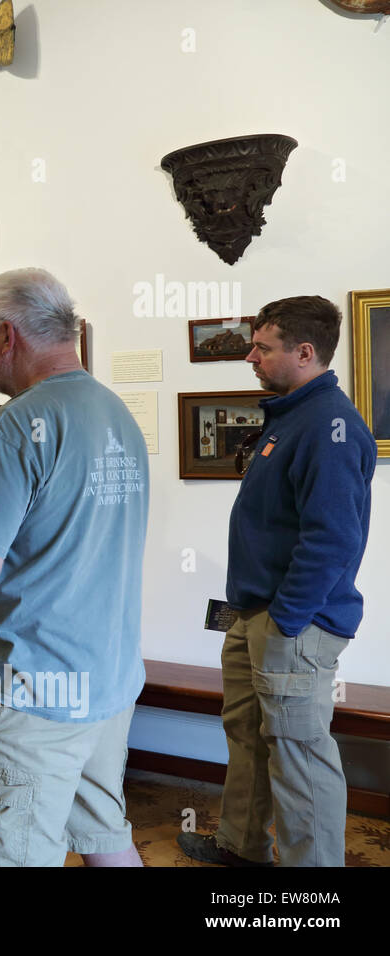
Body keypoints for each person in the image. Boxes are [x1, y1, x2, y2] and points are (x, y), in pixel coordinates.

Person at [0, 268, 149, 867]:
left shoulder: (12, 425)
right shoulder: (116, 413)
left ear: (6, 335)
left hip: (32, 695)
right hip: (108, 682)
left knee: (5, 852)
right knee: (106, 839)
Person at [178, 296, 376, 868]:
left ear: (305, 352)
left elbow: (332, 539)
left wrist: (288, 619)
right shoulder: (293, 415)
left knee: (298, 752)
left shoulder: (330, 426)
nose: (250, 356)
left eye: (263, 347)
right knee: (248, 734)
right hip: (253, 612)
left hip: (293, 622)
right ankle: (241, 847)